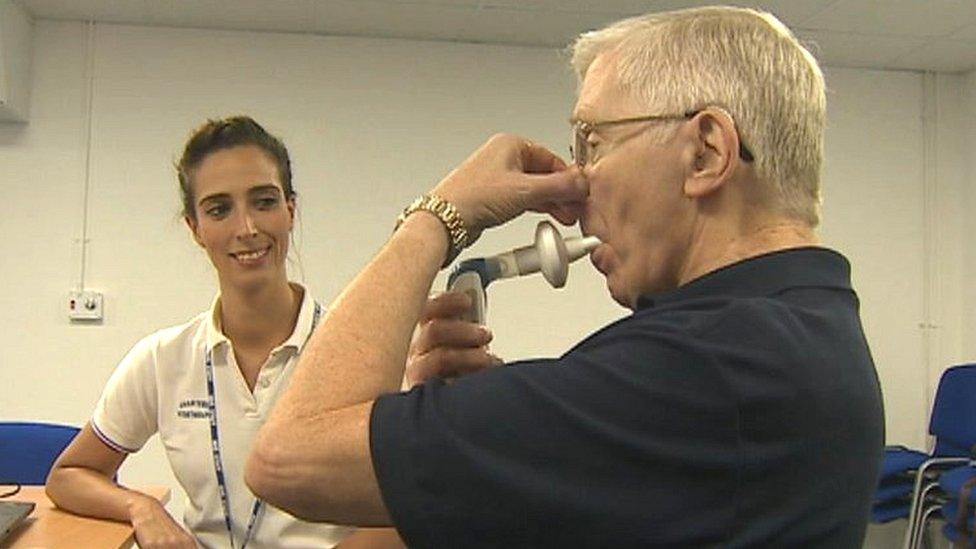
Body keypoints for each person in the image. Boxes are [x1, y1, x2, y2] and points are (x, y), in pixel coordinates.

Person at [245, 6, 884, 547]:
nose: (574, 190)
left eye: (592, 143)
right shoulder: (801, 326)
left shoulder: (709, 365)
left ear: (705, 152)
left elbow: (287, 458)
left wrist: (437, 216)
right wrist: (482, 443)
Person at [46, 116, 404, 548]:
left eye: (264, 202)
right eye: (219, 209)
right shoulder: (163, 359)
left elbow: (416, 502)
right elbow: (69, 475)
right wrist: (143, 507)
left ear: (291, 210)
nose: (247, 228)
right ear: (195, 228)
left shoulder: (360, 353)